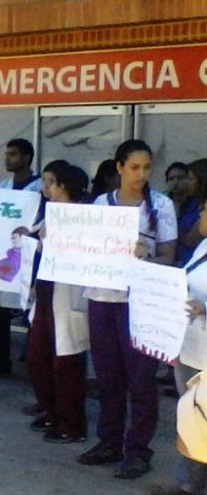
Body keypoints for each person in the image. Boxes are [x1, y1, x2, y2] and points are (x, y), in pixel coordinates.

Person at [78, 139, 177, 479]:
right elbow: (80, 248)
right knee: (107, 377)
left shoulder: (161, 206)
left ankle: (138, 450)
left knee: (141, 381)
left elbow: (169, 255)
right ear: (119, 167)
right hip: (102, 299)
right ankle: (109, 441)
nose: (141, 174)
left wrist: (147, 256)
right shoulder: (101, 203)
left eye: (147, 167)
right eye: (134, 167)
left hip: (141, 303)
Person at [26, 164, 91, 443]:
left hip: (67, 295)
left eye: (50, 182)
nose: (44, 188)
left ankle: (71, 423)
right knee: (37, 356)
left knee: (65, 363)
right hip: (44, 295)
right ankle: (51, 410)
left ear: (63, 186)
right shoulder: (46, 217)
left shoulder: (84, 220)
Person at [150, 197, 207, 495]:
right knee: (192, 421)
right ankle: (189, 483)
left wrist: (205, 307)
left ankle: (189, 485)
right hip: (190, 346)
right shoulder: (202, 247)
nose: (201, 213)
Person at [0, 138, 42, 378]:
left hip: (29, 261)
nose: (8, 159)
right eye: (6, 154)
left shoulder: (39, 189)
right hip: (5, 257)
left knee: (32, 316)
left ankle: (34, 365)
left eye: (13, 154)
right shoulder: (3, 186)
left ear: (26, 158)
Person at [169, 162, 201, 267]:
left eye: (191, 179)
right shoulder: (190, 203)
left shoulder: (202, 206)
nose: (187, 183)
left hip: (194, 264)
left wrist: (171, 222)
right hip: (180, 261)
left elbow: (191, 239)